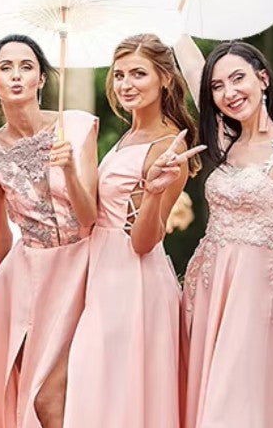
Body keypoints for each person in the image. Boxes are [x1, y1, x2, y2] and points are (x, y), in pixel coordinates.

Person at [64, 34, 203, 427]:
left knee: (118, 394)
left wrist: (155, 193)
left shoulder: (168, 145)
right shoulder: (128, 135)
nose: (125, 83)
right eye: (120, 74)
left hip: (132, 283)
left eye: (138, 74)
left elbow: (144, 241)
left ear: (165, 79)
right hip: (102, 270)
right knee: (98, 388)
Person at [0, 34, 99, 428]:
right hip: (26, 279)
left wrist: (69, 170)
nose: (16, 75)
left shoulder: (76, 126)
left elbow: (89, 216)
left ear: (41, 78)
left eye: (26, 67)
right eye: (5, 68)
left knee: (56, 394)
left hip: (85, 269)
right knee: (32, 391)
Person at [177, 39, 273, 428]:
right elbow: (193, 70)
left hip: (248, 292)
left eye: (237, 78)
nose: (229, 92)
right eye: (218, 86)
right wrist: (174, 22)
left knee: (232, 403)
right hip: (203, 286)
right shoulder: (225, 141)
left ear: (262, 79)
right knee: (201, 394)